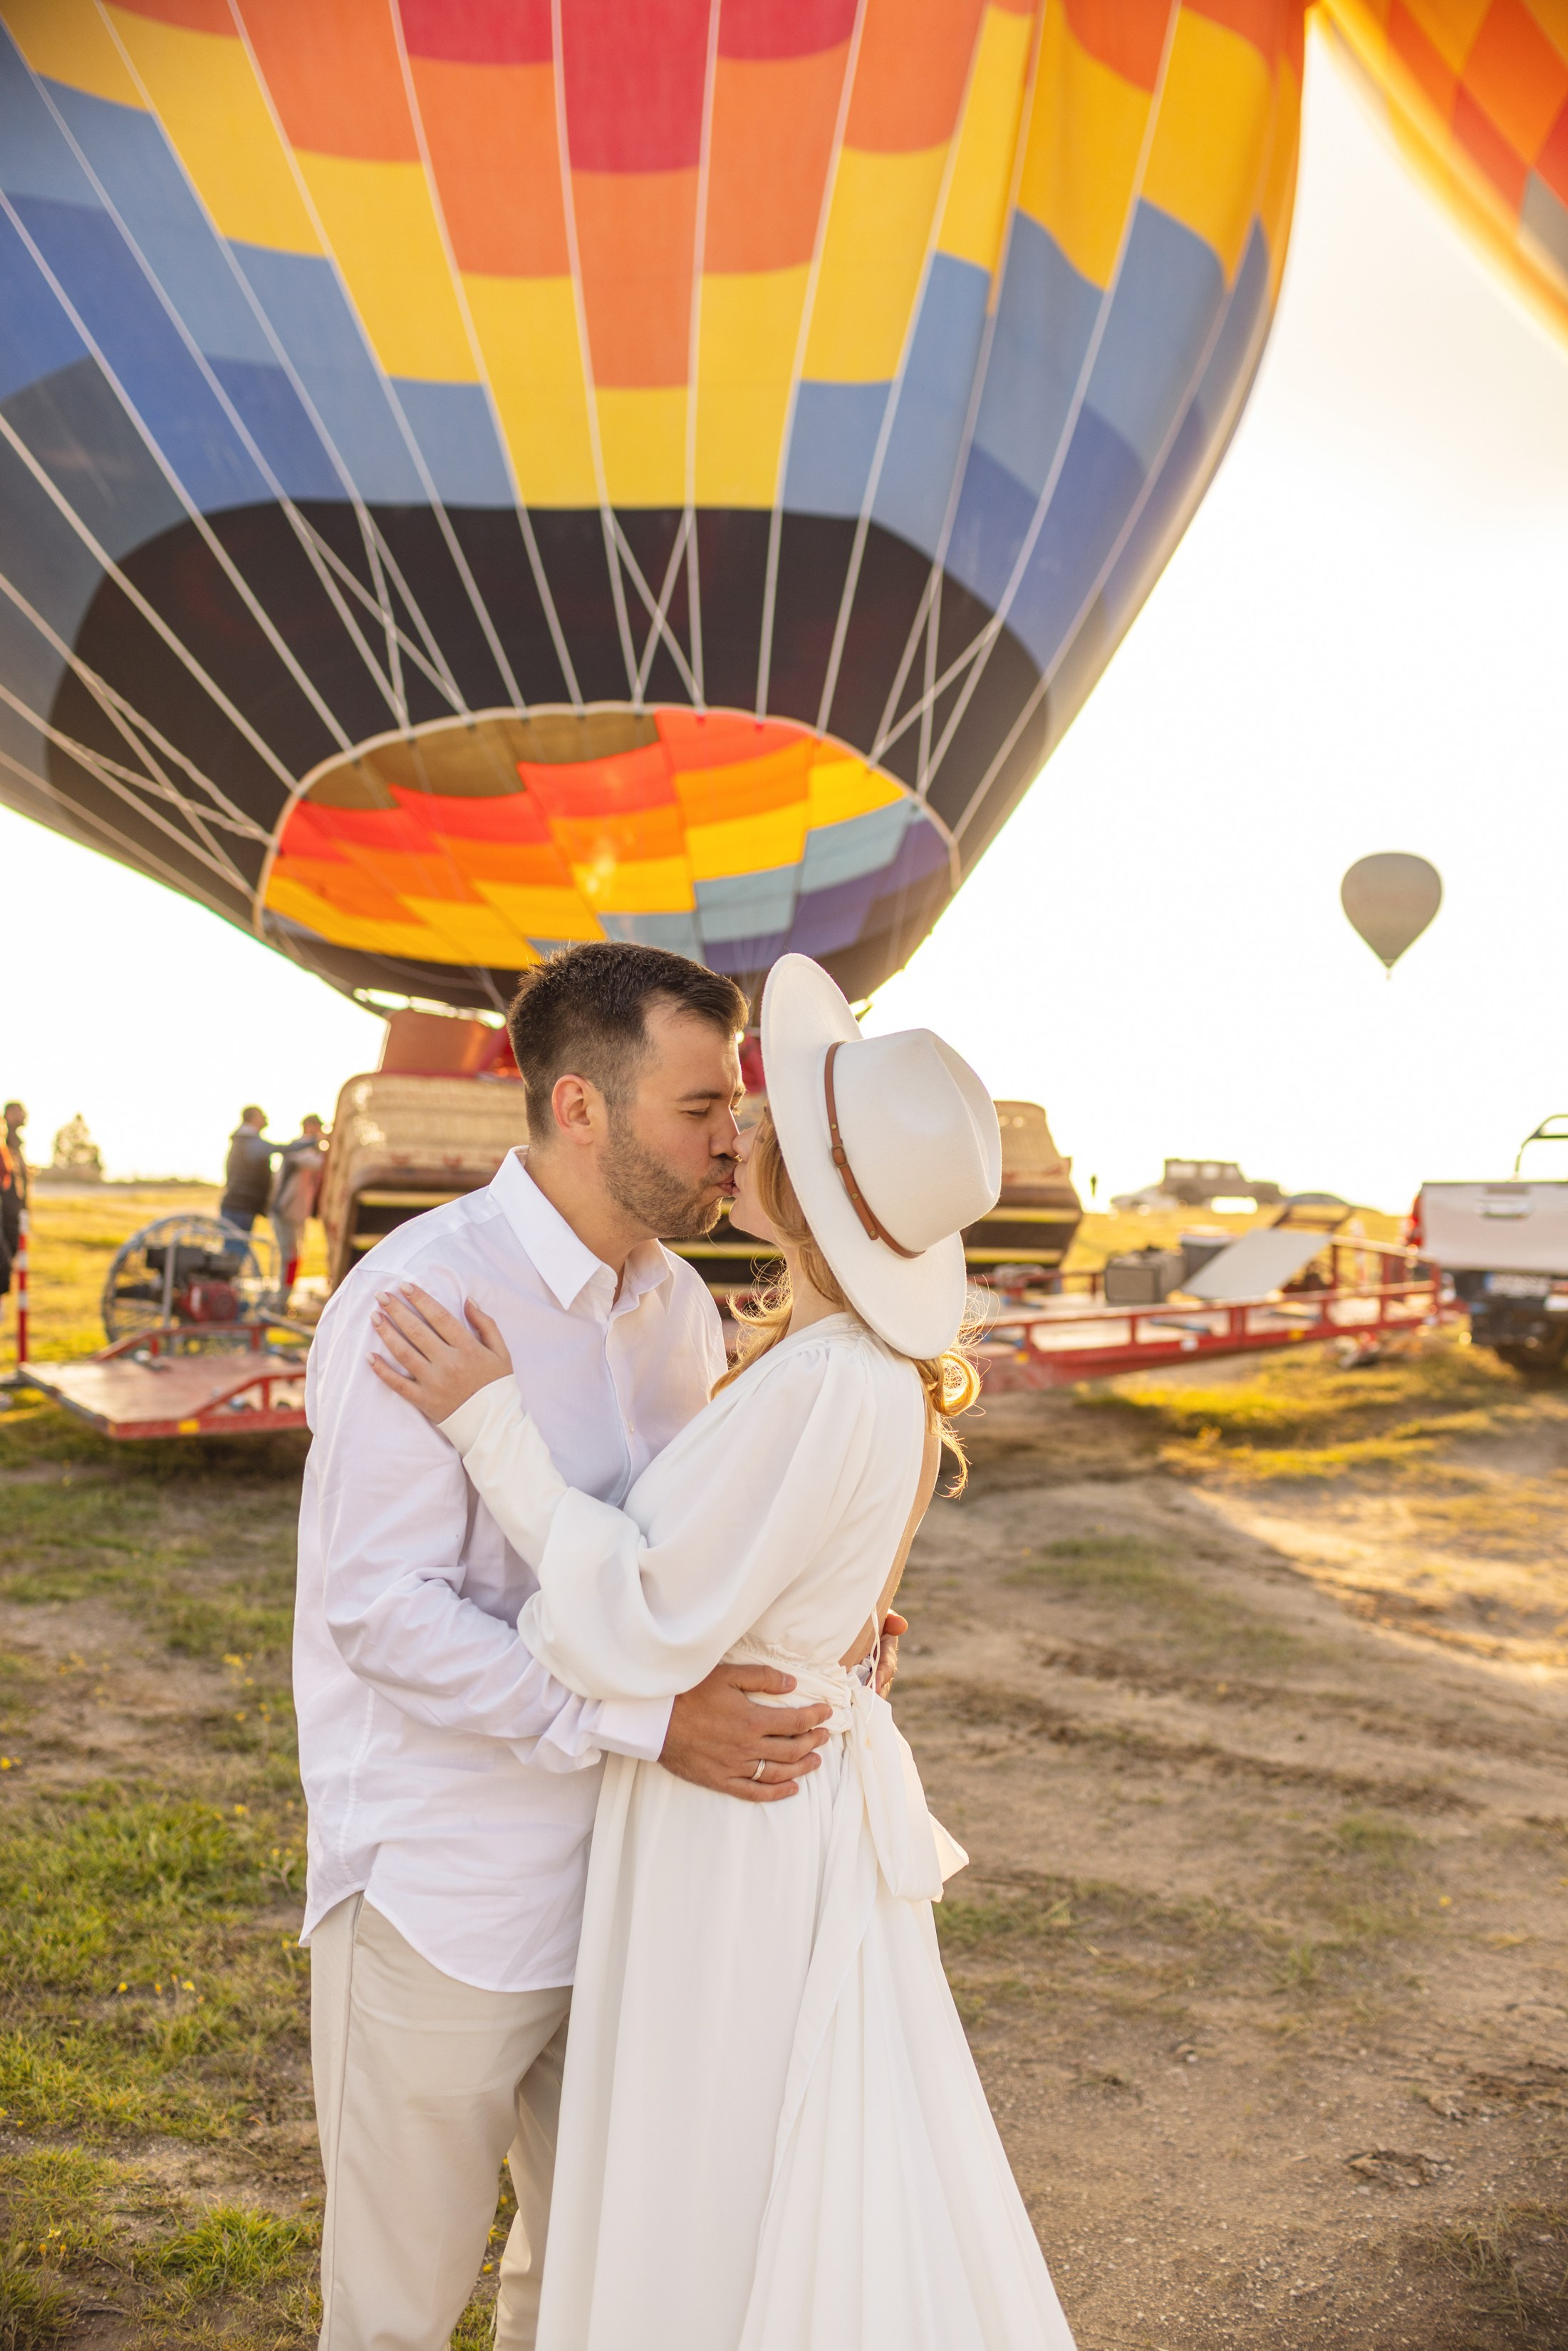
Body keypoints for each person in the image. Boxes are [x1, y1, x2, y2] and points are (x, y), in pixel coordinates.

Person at [370, 953, 1077, 2351]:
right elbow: (758, 1582)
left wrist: (488, 1424)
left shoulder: (818, 1382)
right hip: (778, 1797)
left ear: (813, 1198)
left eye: (772, 1128)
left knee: (707, 2166)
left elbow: (629, 1614)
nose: (739, 1131)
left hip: (730, 1821)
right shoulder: (848, 1372)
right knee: (765, 2150)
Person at [297, 945, 860, 2351]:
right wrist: (647, 1725)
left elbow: (655, 1572)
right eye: (697, 1106)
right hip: (449, 1895)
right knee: (396, 2312)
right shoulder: (416, 1303)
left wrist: (806, 1625)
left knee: (597, 2288)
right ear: (577, 1107)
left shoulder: (675, 1308)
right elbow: (386, 1615)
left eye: (728, 1103)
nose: (730, 1137)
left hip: (628, 1888)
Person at [272, 1115, 327, 1300]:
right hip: (285, 1213)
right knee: (290, 1258)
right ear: (308, 1127)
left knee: (296, 1258)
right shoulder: (298, 1149)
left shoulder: (310, 1149)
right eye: (317, 1127)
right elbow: (318, 1164)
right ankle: (281, 1300)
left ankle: (285, 1297)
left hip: (298, 1215)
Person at [220, 1106, 274, 1237]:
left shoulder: (242, 1139)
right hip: (241, 1205)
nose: (266, 1118)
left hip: (239, 1204)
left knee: (235, 1248)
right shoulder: (250, 1142)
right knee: (236, 1248)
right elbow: (281, 1148)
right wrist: (312, 1142)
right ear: (253, 1118)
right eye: (262, 1115)